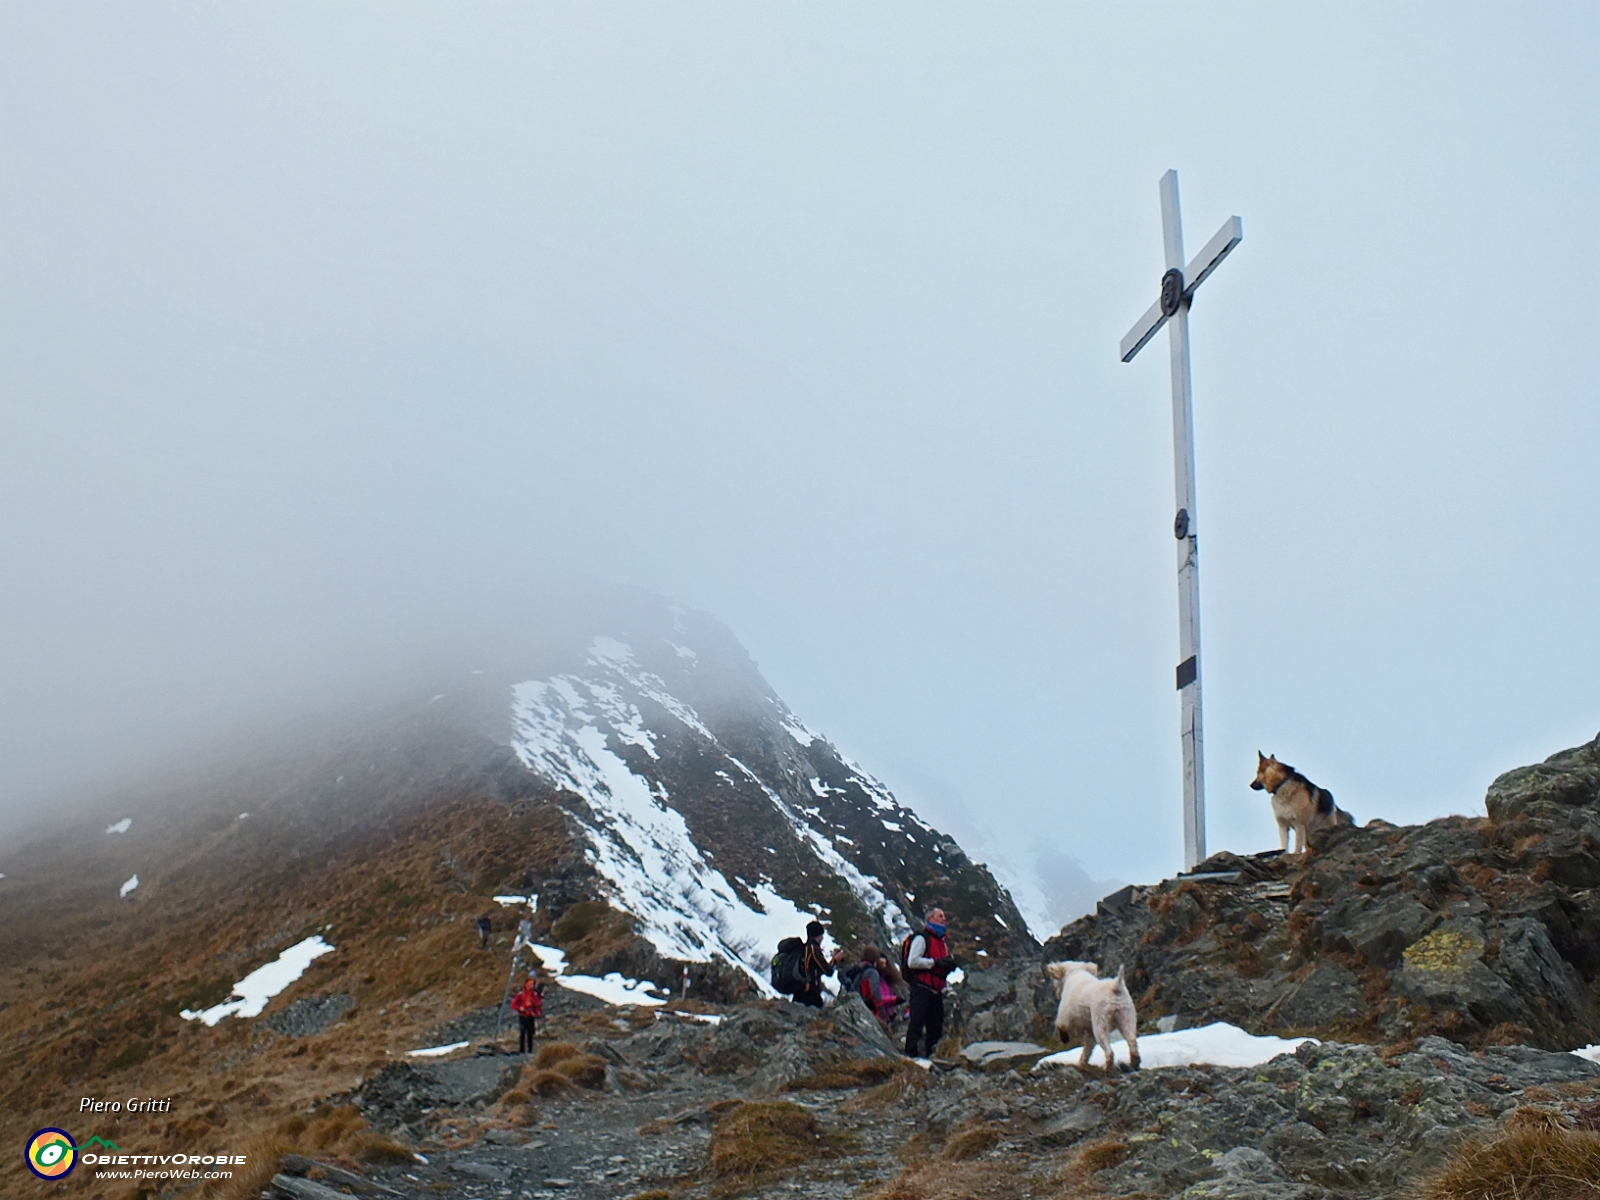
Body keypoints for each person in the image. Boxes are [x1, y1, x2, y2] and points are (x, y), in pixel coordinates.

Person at [903, 907, 959, 1057]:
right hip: (922, 987)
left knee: (935, 1026)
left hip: (936, 990)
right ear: (930, 919)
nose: (944, 919)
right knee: (917, 1022)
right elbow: (912, 962)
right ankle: (910, 1055)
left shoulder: (942, 943)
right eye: (940, 916)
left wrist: (947, 967)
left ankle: (931, 1056)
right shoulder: (922, 938)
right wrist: (935, 963)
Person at [795, 920, 845, 1008]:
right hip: (810, 992)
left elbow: (817, 969)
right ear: (815, 936)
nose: (822, 938)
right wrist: (835, 960)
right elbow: (828, 971)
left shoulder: (805, 948)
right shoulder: (814, 950)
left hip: (801, 990)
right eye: (820, 935)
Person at [511, 976, 544, 1052]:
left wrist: (538, 1012)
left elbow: (537, 1004)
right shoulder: (521, 994)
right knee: (522, 1031)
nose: (530, 986)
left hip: (531, 1015)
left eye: (532, 984)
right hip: (523, 1015)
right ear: (525, 984)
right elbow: (513, 1004)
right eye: (529, 984)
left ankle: (530, 1050)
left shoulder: (535, 995)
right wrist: (520, 1008)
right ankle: (521, 1050)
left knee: (530, 1033)